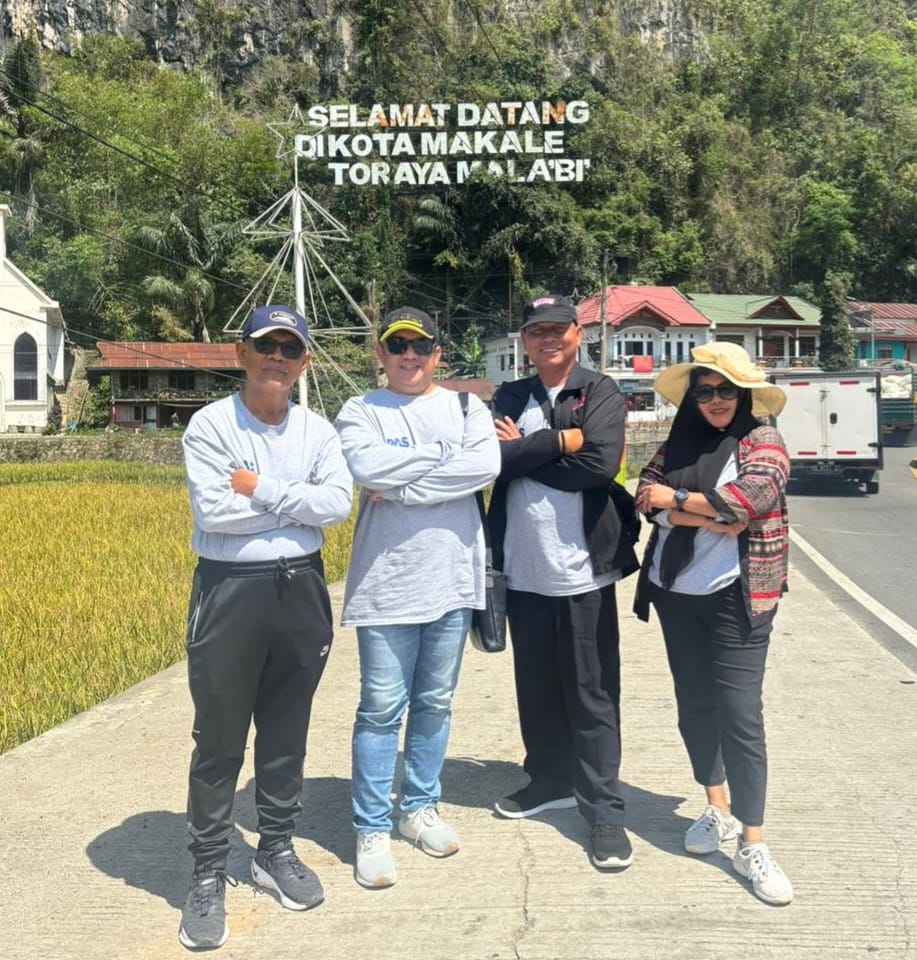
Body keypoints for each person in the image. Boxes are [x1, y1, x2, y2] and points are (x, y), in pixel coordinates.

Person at [178, 305, 353, 949]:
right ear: (242, 354)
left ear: (304, 361)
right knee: (219, 737)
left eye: (290, 348)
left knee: (286, 730)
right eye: (266, 346)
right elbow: (213, 512)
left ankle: (274, 848)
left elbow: (337, 505)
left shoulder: (318, 430)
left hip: (301, 588)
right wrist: (296, 499)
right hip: (231, 589)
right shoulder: (211, 425)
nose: (277, 357)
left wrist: (261, 488)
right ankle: (206, 871)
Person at [335, 306, 500, 889]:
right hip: (386, 585)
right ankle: (371, 826)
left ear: (437, 355)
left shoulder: (467, 408)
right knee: (381, 709)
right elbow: (365, 467)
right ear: (380, 354)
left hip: (452, 580)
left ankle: (419, 807)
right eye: (398, 345)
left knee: (435, 702)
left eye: (420, 346)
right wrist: (440, 458)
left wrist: (402, 487)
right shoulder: (359, 410)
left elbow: (484, 466)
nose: (410, 355)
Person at [632, 341, 793, 906]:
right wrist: (701, 512)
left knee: (741, 715)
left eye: (726, 390)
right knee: (695, 705)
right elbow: (643, 495)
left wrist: (678, 501)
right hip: (677, 594)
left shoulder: (763, 440)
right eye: (704, 392)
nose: (715, 400)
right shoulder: (679, 440)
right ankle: (716, 806)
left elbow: (748, 500)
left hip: (739, 598)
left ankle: (753, 841)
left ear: (745, 393)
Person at [487, 294, 639, 871]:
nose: (547, 338)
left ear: (578, 333)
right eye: (536, 331)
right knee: (536, 686)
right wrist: (560, 442)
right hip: (522, 569)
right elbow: (493, 463)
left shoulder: (599, 391)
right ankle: (549, 779)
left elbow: (599, 466)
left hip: (582, 570)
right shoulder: (510, 395)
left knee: (592, 693)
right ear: (524, 341)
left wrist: (524, 450)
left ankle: (604, 811)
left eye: (557, 329)